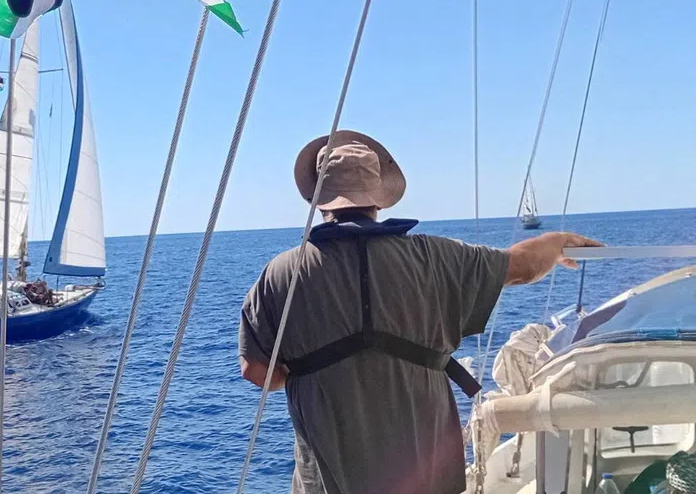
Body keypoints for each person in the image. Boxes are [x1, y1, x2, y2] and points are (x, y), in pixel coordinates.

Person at [238, 130, 603, 494]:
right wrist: (556, 242)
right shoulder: (436, 256)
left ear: (319, 200)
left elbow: (256, 370)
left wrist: (315, 377)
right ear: (378, 197)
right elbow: (520, 266)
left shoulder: (281, 273)